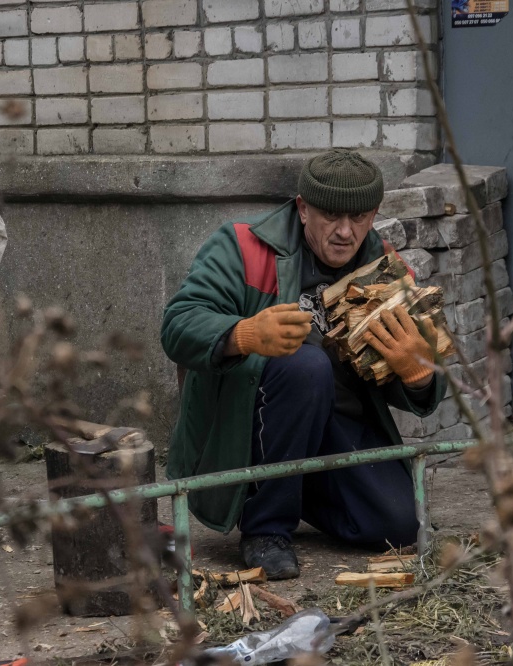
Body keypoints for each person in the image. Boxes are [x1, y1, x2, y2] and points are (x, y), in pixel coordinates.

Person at [160, 149, 446, 579]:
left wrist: (418, 374)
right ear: (303, 208)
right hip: (248, 426)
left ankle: (295, 488)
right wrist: (243, 335)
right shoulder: (243, 245)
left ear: (374, 215)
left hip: (335, 423)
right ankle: (266, 528)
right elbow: (177, 325)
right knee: (306, 365)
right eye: (331, 215)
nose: (345, 231)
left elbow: (423, 380)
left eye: (359, 217)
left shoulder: (385, 268)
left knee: (401, 525)